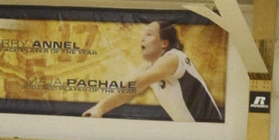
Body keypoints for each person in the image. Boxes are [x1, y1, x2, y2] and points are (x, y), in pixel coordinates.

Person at [84, 18, 223, 123]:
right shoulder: (150, 68)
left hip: (211, 131)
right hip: (192, 134)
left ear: (164, 43)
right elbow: (128, 90)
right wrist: (99, 108)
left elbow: (136, 83)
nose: (143, 39)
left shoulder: (174, 57)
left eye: (149, 34)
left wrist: (101, 108)